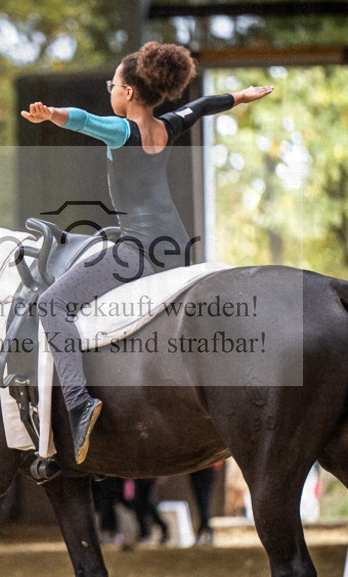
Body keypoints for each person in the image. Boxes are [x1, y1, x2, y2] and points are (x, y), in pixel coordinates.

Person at [21, 41, 273, 462]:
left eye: (113, 84)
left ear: (130, 93)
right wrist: (240, 97)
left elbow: (85, 122)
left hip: (139, 250)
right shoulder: (169, 124)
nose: (111, 90)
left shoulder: (123, 131)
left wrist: (51, 116)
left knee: (51, 305)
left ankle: (79, 405)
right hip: (176, 244)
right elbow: (205, 106)